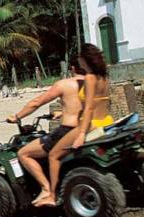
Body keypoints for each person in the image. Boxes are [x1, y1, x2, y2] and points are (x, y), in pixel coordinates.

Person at [7, 63, 86, 207]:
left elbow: (37, 102)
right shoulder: (92, 83)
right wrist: (63, 112)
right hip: (86, 128)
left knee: (24, 153)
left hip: (68, 131)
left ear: (73, 68)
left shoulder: (64, 84)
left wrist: (17, 116)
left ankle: (46, 189)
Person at [43, 44, 112, 202]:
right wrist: (63, 112)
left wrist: (81, 134)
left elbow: (88, 108)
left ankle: (52, 195)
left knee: (53, 155)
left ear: (84, 59)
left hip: (90, 124)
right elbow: (99, 102)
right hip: (106, 120)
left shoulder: (89, 78)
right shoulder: (104, 77)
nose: (79, 61)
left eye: (80, 58)